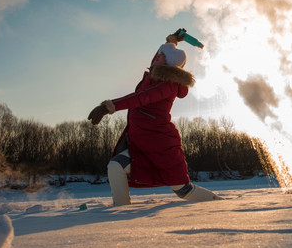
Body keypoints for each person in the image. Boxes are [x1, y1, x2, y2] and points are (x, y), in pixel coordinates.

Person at [88, 28, 222, 205]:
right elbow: (159, 57)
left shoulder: (167, 85)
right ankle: (121, 209)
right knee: (115, 166)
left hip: (161, 144)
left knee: (183, 190)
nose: (157, 55)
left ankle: (220, 203)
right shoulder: (155, 73)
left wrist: (110, 106)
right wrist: (172, 40)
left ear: (167, 63)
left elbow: (140, 98)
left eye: (161, 55)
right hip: (142, 142)